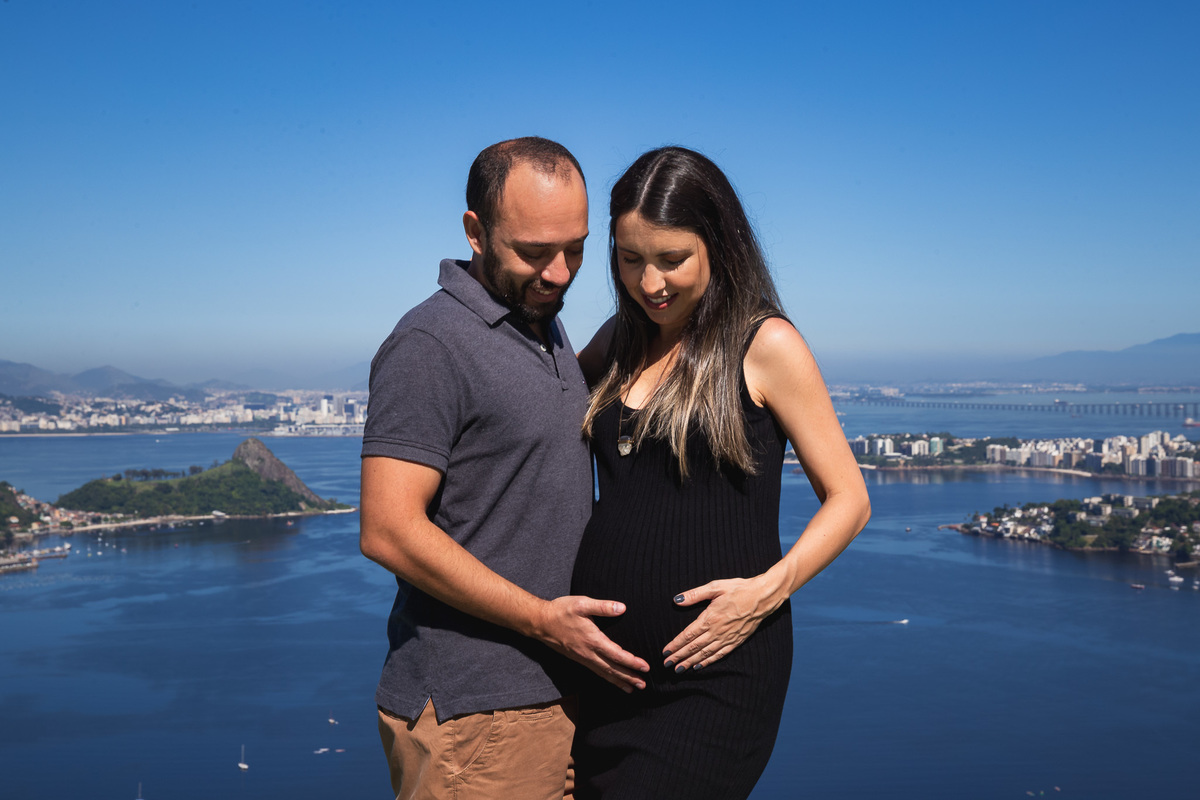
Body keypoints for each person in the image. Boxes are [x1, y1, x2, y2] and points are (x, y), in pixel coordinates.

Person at [570, 146, 872, 799]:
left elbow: (849, 498)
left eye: (672, 259)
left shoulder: (765, 345)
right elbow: (540, 404)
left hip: (715, 679)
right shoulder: (619, 340)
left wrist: (768, 591)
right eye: (630, 259)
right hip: (605, 678)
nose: (650, 282)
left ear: (719, 245)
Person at [360, 137, 649, 800]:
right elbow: (387, 530)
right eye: (534, 251)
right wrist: (544, 620)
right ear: (476, 232)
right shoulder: (430, 343)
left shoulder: (538, 323)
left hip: (550, 699)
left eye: (576, 249)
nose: (559, 273)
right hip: (476, 716)